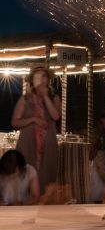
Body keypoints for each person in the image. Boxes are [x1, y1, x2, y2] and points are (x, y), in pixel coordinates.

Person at [11, 66, 62, 194]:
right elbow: (15, 122)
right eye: (37, 76)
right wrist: (33, 119)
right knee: (25, 180)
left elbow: (55, 116)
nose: (41, 79)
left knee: (46, 181)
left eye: (44, 76)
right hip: (27, 145)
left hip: (47, 145)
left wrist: (45, 96)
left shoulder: (54, 98)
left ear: (48, 80)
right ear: (32, 81)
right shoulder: (25, 99)